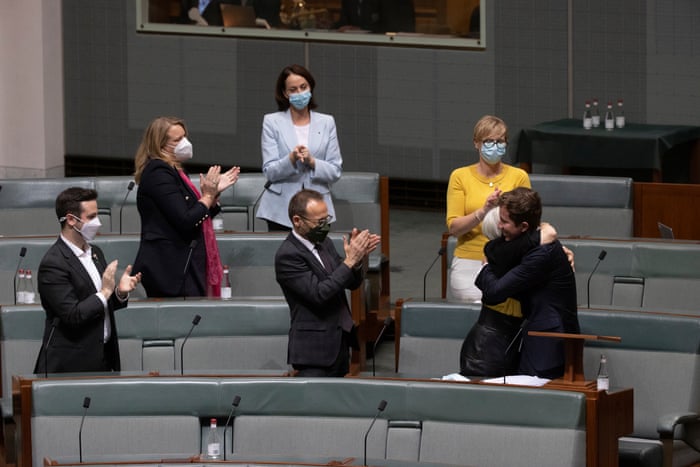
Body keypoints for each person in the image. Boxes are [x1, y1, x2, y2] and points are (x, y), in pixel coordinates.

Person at [33, 187, 142, 374]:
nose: (98, 222)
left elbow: (100, 306)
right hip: (71, 366)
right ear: (70, 220)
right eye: (91, 217)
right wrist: (106, 292)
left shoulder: (96, 253)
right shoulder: (53, 263)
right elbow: (72, 316)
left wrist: (119, 293)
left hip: (104, 358)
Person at [475, 187, 579, 379]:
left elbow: (494, 292)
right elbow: (494, 248)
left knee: (537, 399)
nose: (499, 226)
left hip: (549, 339)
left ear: (523, 226)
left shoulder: (541, 255)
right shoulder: (530, 242)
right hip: (537, 330)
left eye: (504, 222)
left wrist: (485, 267)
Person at [275, 189, 380, 377]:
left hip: (339, 341)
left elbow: (350, 283)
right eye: (319, 222)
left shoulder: (325, 243)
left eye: (327, 219)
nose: (325, 226)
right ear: (297, 221)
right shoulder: (288, 255)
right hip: (314, 351)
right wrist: (349, 262)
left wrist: (357, 260)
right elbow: (319, 294)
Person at [133, 116, 240, 298]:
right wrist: (207, 195)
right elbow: (185, 219)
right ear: (159, 144)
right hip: (170, 268)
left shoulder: (175, 171)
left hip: (185, 263)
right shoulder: (158, 172)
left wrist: (212, 197)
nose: (185, 143)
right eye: (177, 140)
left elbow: (197, 213)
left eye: (184, 137)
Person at [459, 208, 557, 377]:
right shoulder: (501, 261)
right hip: (486, 350)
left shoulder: (510, 257)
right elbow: (548, 233)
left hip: (508, 342)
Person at [446, 115, 531, 302]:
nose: (494, 145)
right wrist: (483, 211)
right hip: (469, 260)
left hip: (510, 260)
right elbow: (454, 229)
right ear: (476, 143)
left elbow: (528, 224)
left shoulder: (519, 176)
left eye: (499, 141)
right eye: (488, 141)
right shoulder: (460, 176)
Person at [258, 64, 342, 231]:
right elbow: (270, 171)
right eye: (293, 89)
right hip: (281, 210)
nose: (300, 93)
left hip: (318, 207)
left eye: (303, 87)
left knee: (318, 255)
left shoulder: (327, 122)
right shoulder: (271, 122)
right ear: (285, 93)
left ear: (311, 87)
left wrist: (312, 161)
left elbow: (335, 171)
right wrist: (291, 159)